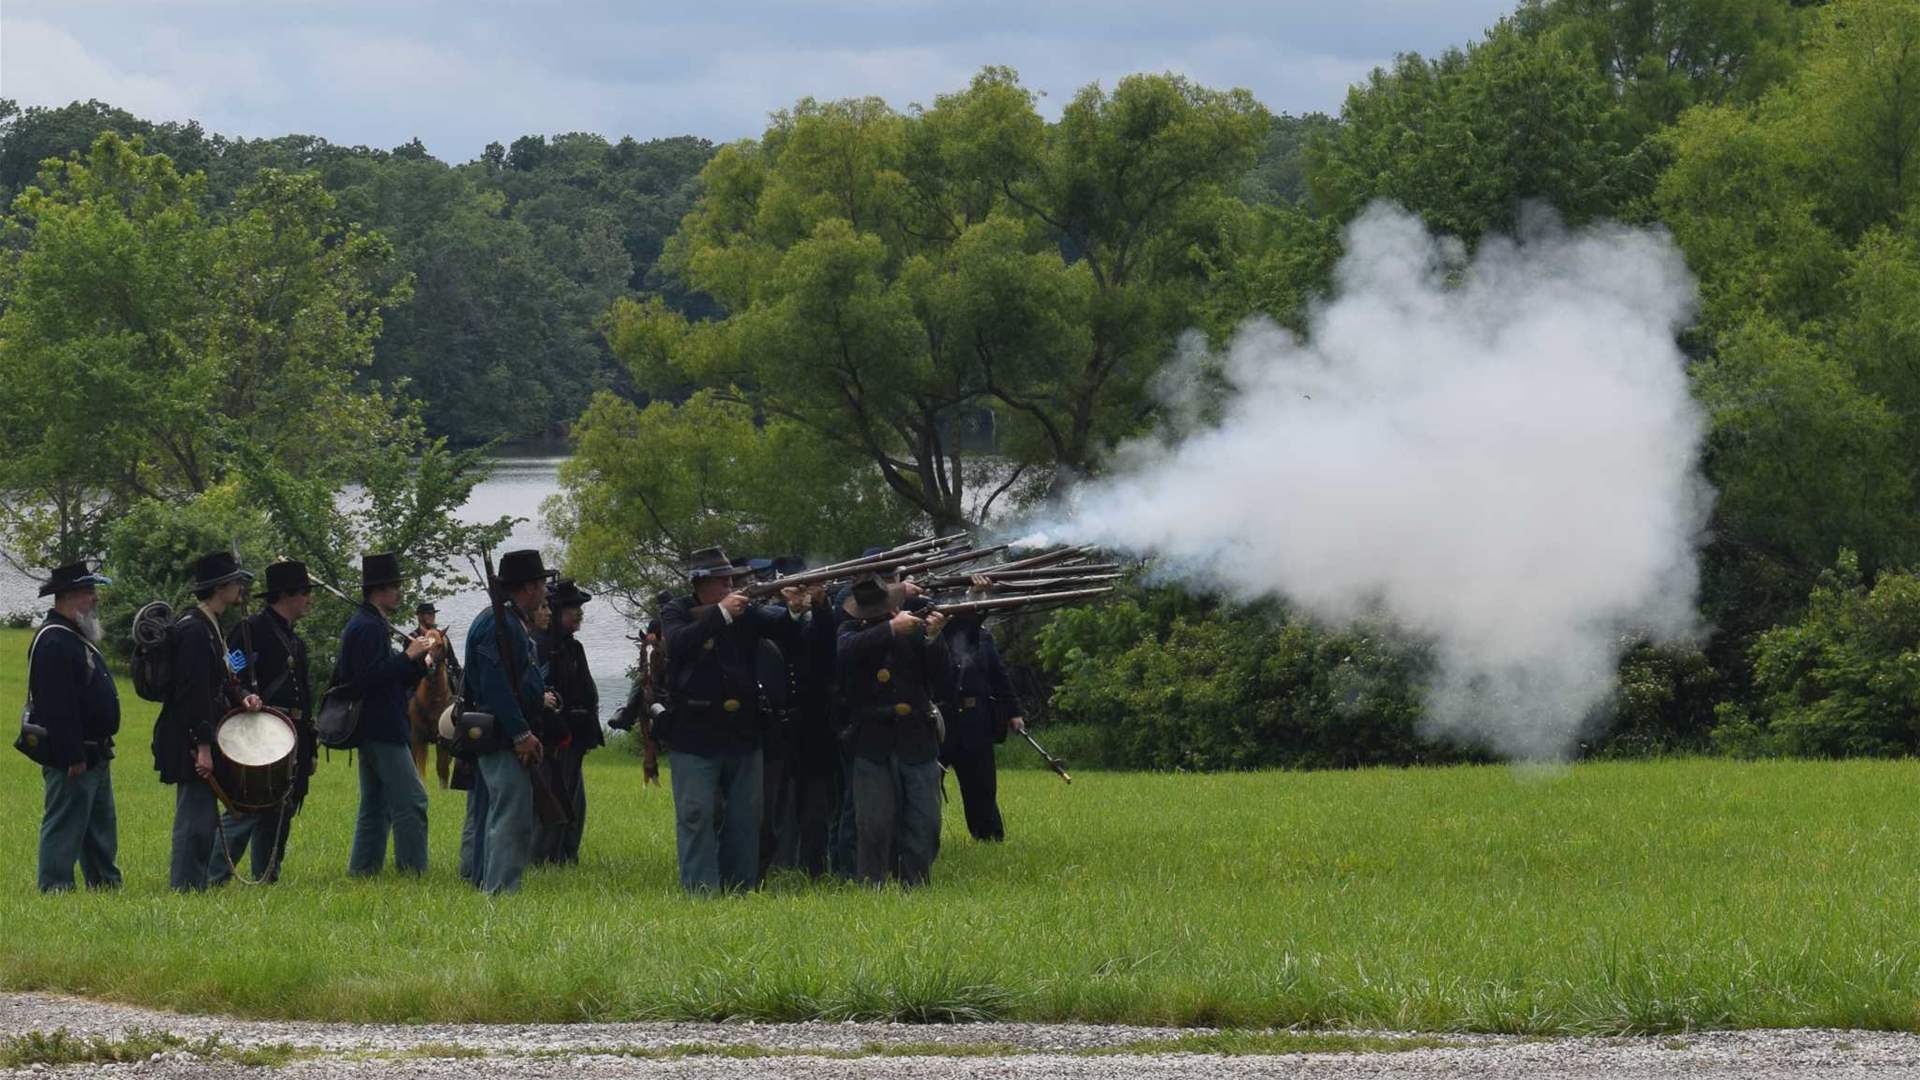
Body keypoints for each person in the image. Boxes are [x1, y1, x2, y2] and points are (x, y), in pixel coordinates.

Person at [659, 547, 807, 893]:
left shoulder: (747, 613)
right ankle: (700, 891)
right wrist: (721, 615)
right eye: (721, 580)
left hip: (743, 733)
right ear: (700, 583)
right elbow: (678, 644)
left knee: (745, 820)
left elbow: (782, 630)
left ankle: (740, 888)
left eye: (730, 579)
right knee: (696, 816)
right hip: (693, 733)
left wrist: (796, 609)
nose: (729, 584)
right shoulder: (677, 611)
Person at [153, 552, 263, 892]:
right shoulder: (195, 631)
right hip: (189, 738)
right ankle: (185, 888)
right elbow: (195, 694)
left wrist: (241, 696)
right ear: (220, 588)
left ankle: (194, 885)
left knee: (202, 819)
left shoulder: (210, 626)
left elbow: (222, 679)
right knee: (194, 821)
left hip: (200, 734)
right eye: (235, 582)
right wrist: (203, 747)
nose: (240, 588)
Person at [836, 575, 951, 886]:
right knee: (873, 824)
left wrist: (934, 638)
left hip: (917, 736)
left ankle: (916, 883)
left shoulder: (913, 630)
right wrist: (889, 630)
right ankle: (870, 885)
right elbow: (846, 652)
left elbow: (943, 679)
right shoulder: (850, 632)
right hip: (871, 739)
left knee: (925, 821)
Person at [211, 561, 316, 884]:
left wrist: (309, 748)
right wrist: (243, 693)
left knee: (282, 806)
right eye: (304, 594)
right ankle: (212, 875)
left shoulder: (294, 640)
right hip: (258, 731)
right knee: (249, 806)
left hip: (291, 732)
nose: (308, 600)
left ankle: (267, 875)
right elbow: (229, 673)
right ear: (286, 595)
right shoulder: (250, 630)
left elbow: (304, 699)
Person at [460, 549, 554, 895]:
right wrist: (520, 732)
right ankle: (499, 890)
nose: (545, 591)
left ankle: (491, 882)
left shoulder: (507, 622)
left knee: (501, 813)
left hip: (505, 732)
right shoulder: (496, 624)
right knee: (510, 817)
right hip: (501, 734)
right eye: (541, 584)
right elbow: (495, 686)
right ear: (528, 587)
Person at [24, 561, 121, 892]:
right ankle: (55, 887)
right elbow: (56, 707)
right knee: (65, 824)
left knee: (99, 826)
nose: (94, 599)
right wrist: (71, 755)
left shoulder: (73, 637)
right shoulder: (54, 641)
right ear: (66, 597)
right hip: (74, 753)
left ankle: (105, 885)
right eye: (87, 592)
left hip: (95, 749)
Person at [341, 552, 435, 877]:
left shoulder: (374, 623)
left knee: (376, 804)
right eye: (394, 586)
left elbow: (391, 678)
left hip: (380, 723)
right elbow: (366, 680)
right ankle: (412, 872)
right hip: (381, 726)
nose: (399, 593)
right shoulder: (366, 627)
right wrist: (407, 656)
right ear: (378, 590)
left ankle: (364, 871)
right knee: (412, 801)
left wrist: (417, 663)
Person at [936, 576, 1025, 842]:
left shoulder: (983, 637)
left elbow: (999, 676)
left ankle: (988, 837)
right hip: (941, 718)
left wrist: (1013, 712)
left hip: (976, 718)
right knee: (928, 784)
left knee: (982, 785)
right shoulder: (939, 633)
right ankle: (925, 836)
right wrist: (973, 595)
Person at [533, 579, 600, 865]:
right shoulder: (542, 645)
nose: (578, 614)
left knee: (574, 800)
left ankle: (566, 854)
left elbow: (586, 691)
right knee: (552, 797)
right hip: (553, 736)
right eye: (572, 608)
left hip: (576, 735)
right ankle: (545, 856)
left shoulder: (574, 648)